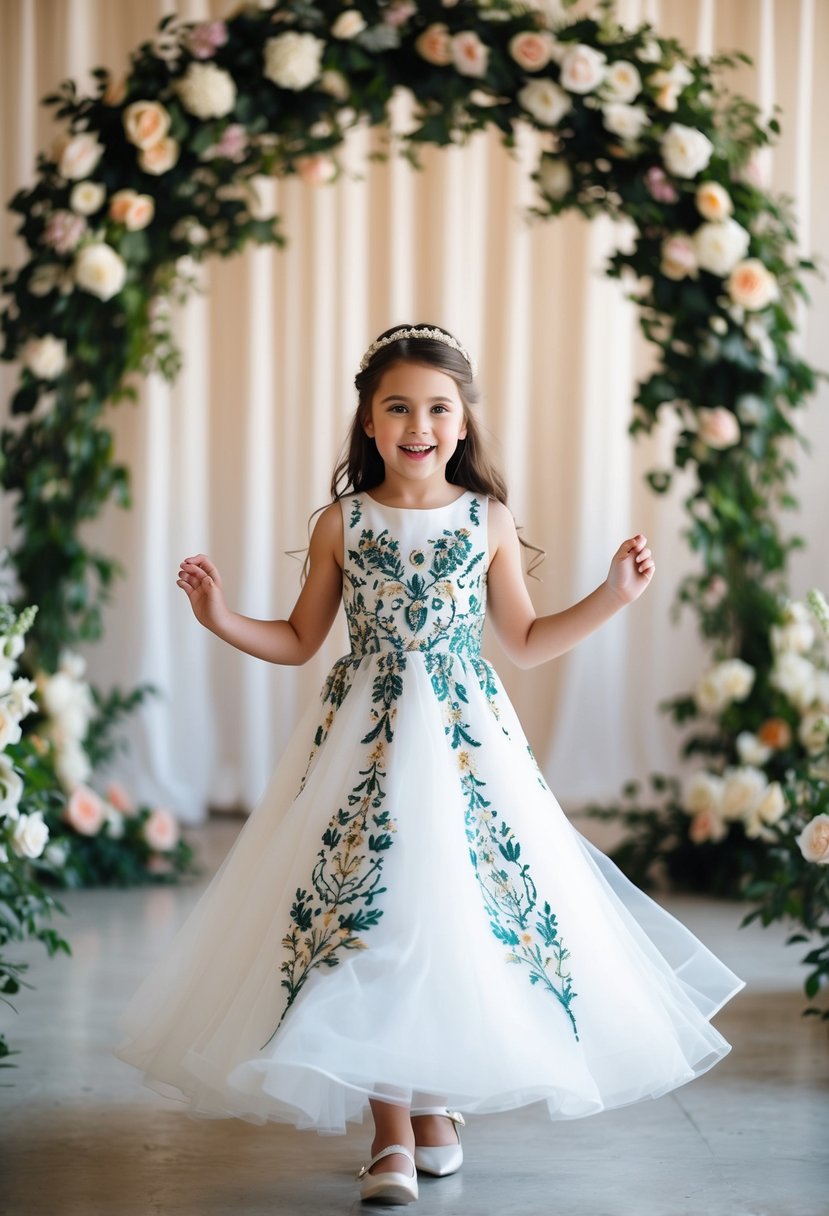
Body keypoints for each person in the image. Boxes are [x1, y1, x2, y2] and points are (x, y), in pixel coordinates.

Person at [117, 324, 743, 1207]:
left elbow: (523, 643)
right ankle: (389, 1134)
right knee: (374, 918)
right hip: (363, 750)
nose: (419, 424)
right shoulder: (346, 521)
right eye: (397, 407)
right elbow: (300, 641)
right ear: (368, 424)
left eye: (437, 408)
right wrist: (220, 615)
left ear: (463, 422)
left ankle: (435, 1101)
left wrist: (613, 594)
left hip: (463, 747)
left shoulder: (485, 518)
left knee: (453, 914)